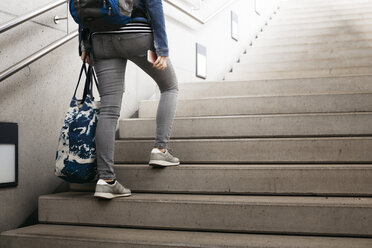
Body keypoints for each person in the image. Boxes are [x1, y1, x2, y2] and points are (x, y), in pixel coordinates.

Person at [78, 0, 180, 199]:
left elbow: (83, 6)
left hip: (101, 42)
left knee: (108, 108)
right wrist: (162, 48)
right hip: (138, 38)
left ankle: (106, 180)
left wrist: (84, 44)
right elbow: (153, 3)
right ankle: (160, 149)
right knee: (169, 87)